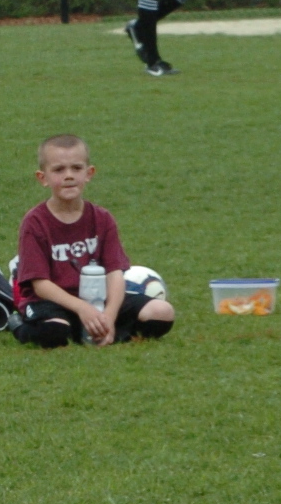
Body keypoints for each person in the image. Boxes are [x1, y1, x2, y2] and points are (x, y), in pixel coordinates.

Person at [10, 134, 176, 347]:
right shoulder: (35, 222)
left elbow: (115, 273)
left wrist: (109, 316)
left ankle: (98, 330)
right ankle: (18, 326)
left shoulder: (102, 218)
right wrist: (82, 308)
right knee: (54, 332)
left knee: (162, 312)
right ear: (43, 178)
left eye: (76, 168)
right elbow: (40, 285)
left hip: (98, 300)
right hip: (53, 302)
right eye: (59, 170)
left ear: (89, 173)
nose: (69, 176)